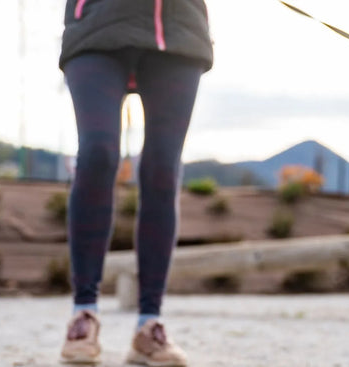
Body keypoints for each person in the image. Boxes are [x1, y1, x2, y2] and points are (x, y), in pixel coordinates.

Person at [57, 0, 212, 365]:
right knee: (98, 154)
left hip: (178, 29)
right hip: (97, 22)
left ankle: (149, 324)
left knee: (162, 168)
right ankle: (84, 314)